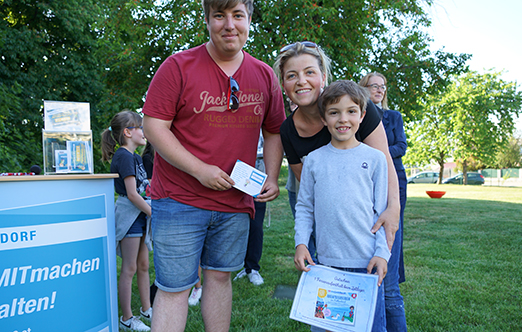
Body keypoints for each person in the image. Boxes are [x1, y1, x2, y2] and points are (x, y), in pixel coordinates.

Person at [141, 0, 286, 330]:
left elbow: (275, 129)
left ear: (249, 20)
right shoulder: (178, 66)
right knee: (175, 289)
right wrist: (199, 169)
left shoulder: (263, 74)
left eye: (238, 15)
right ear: (207, 20)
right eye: (219, 15)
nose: (229, 25)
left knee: (220, 280)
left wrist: (272, 176)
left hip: (235, 202)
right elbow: (154, 127)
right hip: (178, 200)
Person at [273, 41, 401, 261]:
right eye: (291, 75)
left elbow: (385, 162)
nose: (301, 81)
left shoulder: (357, 107)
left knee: (384, 276)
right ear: (283, 84)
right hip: (330, 223)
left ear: (323, 77)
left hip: (373, 204)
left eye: (309, 72)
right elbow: (308, 189)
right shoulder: (288, 130)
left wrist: (394, 209)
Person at [294, 80, 391, 332]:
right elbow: (304, 207)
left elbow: (382, 213)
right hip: (325, 265)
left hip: (366, 264)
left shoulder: (375, 159)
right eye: (334, 112)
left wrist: (382, 253)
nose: (342, 119)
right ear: (324, 119)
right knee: (326, 326)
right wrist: (301, 243)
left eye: (351, 111)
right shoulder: (314, 160)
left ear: (362, 114)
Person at [360, 72, 408, 331]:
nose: (379, 90)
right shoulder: (354, 117)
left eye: (382, 87)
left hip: (394, 180)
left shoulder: (393, 117)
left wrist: (378, 150)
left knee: (391, 235)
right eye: (373, 86)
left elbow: (401, 145)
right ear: (363, 89)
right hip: (365, 183)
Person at [101, 110, 152, 332]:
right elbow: (132, 194)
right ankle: (127, 318)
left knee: (143, 265)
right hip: (130, 216)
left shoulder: (136, 157)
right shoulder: (123, 156)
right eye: (140, 127)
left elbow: (142, 186)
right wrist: (153, 212)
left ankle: (146, 309)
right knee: (129, 268)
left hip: (140, 215)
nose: (144, 131)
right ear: (128, 132)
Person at [142, 143, 204, 306]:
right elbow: (151, 183)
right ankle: (168, 288)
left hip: (185, 204)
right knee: (169, 260)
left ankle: (197, 287)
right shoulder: (148, 157)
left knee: (192, 251)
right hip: (165, 207)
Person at [234, 134, 267, 285]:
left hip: (257, 181)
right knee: (234, 224)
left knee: (255, 226)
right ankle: (239, 265)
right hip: (236, 178)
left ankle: (252, 268)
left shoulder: (265, 126)